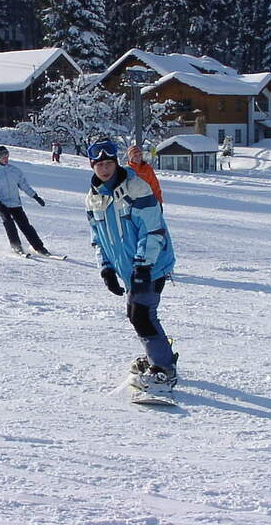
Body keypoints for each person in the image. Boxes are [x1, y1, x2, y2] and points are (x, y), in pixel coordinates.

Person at [85, 139, 177, 395]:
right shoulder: (93, 199)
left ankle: (164, 371)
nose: (104, 169)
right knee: (139, 315)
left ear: (116, 163)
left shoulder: (136, 187)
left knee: (141, 315)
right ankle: (159, 355)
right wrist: (105, 267)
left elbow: (153, 230)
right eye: (99, 164)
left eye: (108, 163)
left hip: (152, 264)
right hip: (128, 269)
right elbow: (98, 238)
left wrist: (143, 266)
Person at [0, 145, 50, 257]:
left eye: (7, 155)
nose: (5, 158)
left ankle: (39, 248)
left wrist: (35, 196)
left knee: (25, 225)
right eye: (2, 156)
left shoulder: (15, 171)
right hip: (1, 203)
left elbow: (24, 185)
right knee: (9, 222)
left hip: (15, 203)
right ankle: (16, 246)